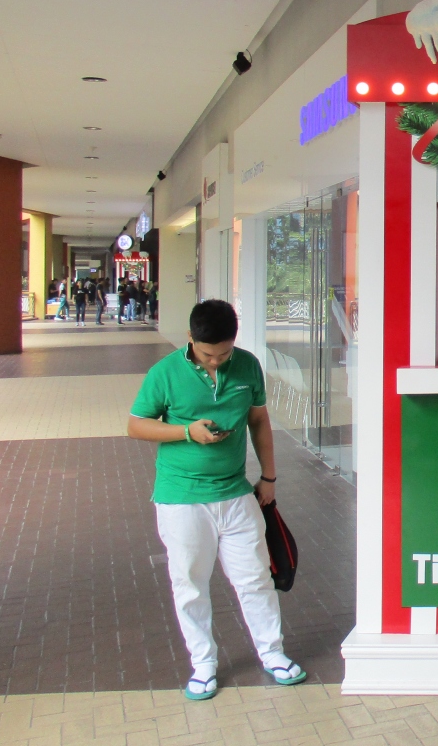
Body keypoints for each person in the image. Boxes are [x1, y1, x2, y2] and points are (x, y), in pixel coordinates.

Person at [126, 299, 305, 701]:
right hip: (182, 498)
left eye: (224, 353)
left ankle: (272, 653)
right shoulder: (165, 373)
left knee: (255, 578)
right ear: (190, 337)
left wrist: (269, 477)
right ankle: (203, 663)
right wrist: (187, 432)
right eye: (209, 354)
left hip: (235, 493)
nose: (217, 361)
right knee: (190, 583)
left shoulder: (247, 366)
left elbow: (258, 420)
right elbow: (136, 426)